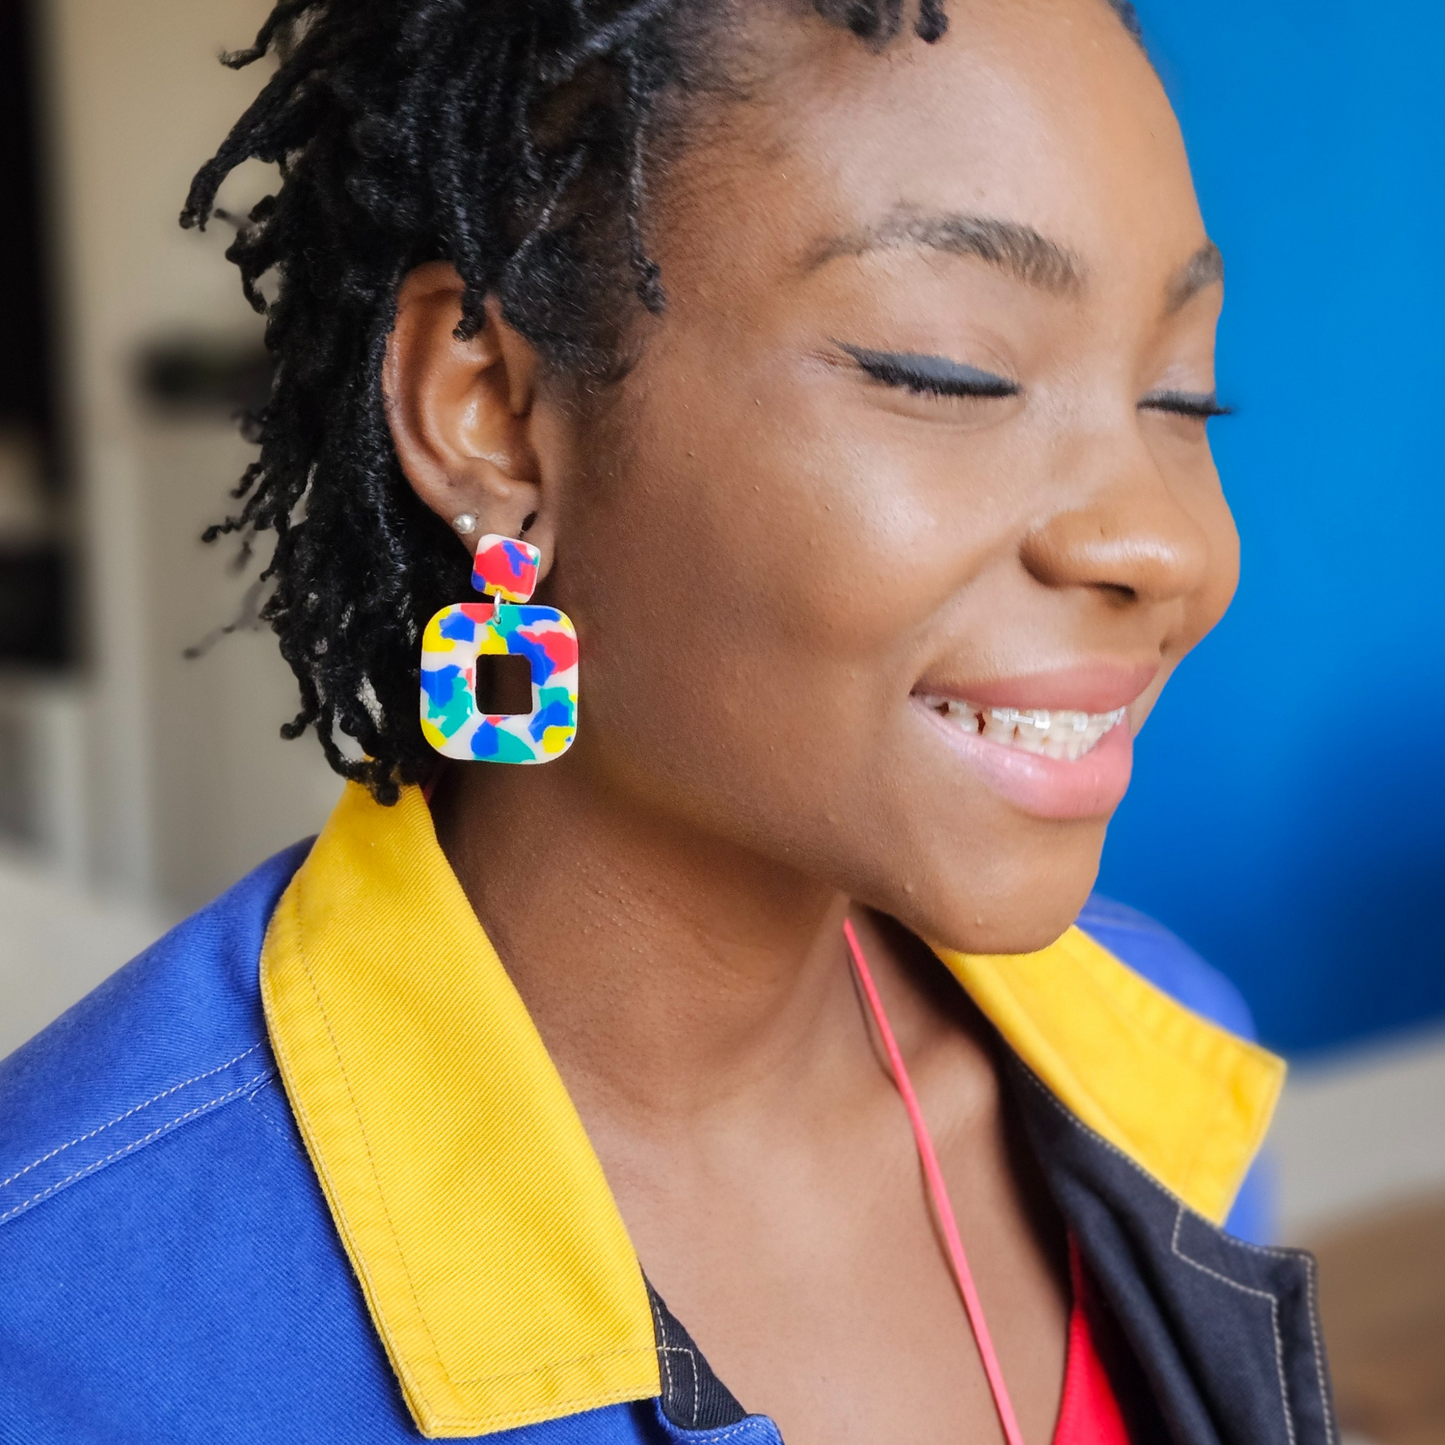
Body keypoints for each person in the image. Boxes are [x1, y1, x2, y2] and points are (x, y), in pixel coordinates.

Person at [0, 1, 1332, 1442]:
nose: (1166, 546)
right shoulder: (62, 1315)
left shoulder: (1167, 1063)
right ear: (493, 413)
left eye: (1179, 393)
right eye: (953, 371)